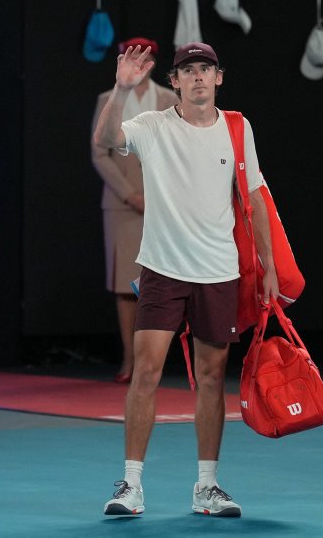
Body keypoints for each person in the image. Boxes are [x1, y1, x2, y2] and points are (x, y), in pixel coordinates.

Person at [93, 42, 278, 518]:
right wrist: (121, 87)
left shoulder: (238, 128)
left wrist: (269, 268)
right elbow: (107, 138)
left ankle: (207, 487)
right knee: (147, 371)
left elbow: (254, 197)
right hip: (161, 270)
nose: (198, 77)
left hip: (218, 272)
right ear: (174, 81)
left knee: (213, 378)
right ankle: (130, 485)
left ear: (219, 77)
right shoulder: (153, 127)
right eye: (188, 71)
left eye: (206, 69)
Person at [91, 37, 179, 384]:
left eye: (145, 58)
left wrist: (159, 194)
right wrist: (130, 195)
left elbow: (177, 152)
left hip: (161, 203)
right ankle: (130, 357)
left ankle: (155, 358)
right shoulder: (106, 99)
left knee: (159, 282)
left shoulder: (169, 99)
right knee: (126, 286)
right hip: (122, 206)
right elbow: (100, 153)